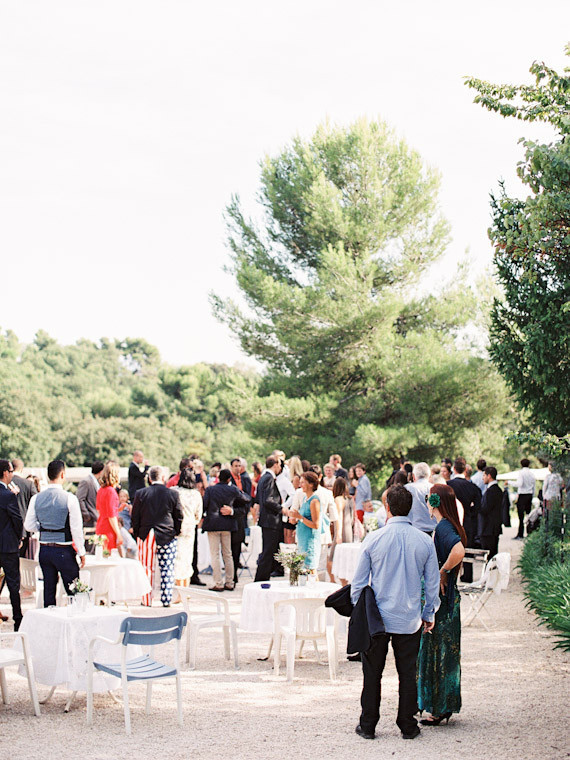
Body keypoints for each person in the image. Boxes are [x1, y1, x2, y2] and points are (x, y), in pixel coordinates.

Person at [351, 485, 440, 741]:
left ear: (387, 507)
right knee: (408, 674)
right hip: (409, 616)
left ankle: (368, 724)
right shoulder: (424, 541)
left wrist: (360, 611)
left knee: (372, 674)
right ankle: (407, 724)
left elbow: (358, 583)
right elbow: (432, 584)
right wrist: (429, 612)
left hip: (378, 617)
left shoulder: (374, 538)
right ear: (410, 508)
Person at [417, 483, 466, 726]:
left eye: (429, 499)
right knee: (444, 651)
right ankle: (441, 704)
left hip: (443, 601)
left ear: (434, 502)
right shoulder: (448, 525)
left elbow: (458, 550)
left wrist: (443, 571)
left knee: (438, 650)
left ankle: (439, 707)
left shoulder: (444, 527)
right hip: (448, 599)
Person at [24, 459, 86, 607]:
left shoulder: (36, 498)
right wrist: (82, 552)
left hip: (45, 550)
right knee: (74, 592)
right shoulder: (70, 498)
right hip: (64, 549)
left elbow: (28, 525)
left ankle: (49, 617)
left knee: (49, 591)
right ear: (62, 474)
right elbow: (76, 529)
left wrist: (43, 528)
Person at [131, 466, 183, 606]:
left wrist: (137, 533)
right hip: (167, 534)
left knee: (146, 568)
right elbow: (179, 515)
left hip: (146, 533)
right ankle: (166, 599)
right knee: (167, 568)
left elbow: (135, 516)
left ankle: (147, 599)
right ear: (163, 478)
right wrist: (176, 531)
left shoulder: (141, 493)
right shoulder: (173, 494)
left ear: (149, 478)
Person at [202, 468, 250, 591]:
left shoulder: (210, 489)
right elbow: (246, 499)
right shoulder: (232, 489)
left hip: (213, 524)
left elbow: (204, 505)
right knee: (228, 554)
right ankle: (229, 582)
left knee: (215, 554)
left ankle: (218, 583)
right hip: (227, 524)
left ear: (218, 478)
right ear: (229, 479)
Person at [448, 457, 481, 582]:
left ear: (454, 469)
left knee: (450, 549)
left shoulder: (448, 485)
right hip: (467, 521)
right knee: (467, 548)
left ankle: (451, 576)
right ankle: (468, 575)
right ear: (465, 470)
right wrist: (470, 513)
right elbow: (478, 506)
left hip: (451, 521)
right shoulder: (472, 487)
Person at [254, 456, 286, 582]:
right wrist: (281, 509)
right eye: (280, 465)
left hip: (268, 520)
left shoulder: (264, 477)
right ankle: (260, 580)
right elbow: (268, 500)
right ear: (276, 464)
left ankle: (263, 579)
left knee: (269, 552)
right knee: (267, 553)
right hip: (270, 520)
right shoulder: (268, 478)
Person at [0, 460, 23, 629]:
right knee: (13, 584)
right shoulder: (8, 495)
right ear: (5, 473)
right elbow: (17, 519)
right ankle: (18, 620)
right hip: (8, 546)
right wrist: (18, 538)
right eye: (11, 471)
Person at [171, 467, 203, 588]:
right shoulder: (196, 494)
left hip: (177, 527)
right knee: (188, 558)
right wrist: (194, 522)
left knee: (178, 558)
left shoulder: (174, 491)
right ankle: (186, 587)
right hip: (190, 527)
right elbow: (198, 514)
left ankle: (180, 589)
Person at [289, 471, 321, 574]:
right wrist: (295, 518)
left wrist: (300, 517)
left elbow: (316, 525)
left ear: (311, 484)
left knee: (310, 571)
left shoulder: (314, 501)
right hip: (302, 539)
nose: (300, 485)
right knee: (304, 570)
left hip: (309, 541)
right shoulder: (305, 499)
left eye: (303, 482)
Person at [229, 457, 253, 585]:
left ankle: (234, 572)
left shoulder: (245, 479)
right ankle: (231, 573)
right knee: (230, 547)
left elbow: (248, 497)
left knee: (237, 545)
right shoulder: (229, 480)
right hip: (231, 516)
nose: (238, 468)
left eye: (239, 466)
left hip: (241, 516)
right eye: (235, 466)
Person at [11, 458, 37, 558]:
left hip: (7, 528)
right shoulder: (28, 484)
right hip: (24, 528)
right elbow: (36, 504)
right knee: (22, 558)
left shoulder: (5, 483)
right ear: (22, 469)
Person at [95, 461, 123, 551]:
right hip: (109, 530)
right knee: (109, 556)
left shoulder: (101, 490)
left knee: (102, 554)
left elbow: (100, 510)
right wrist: (119, 534)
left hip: (100, 527)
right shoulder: (111, 491)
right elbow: (111, 516)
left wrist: (117, 509)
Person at [330, 477, 354, 584]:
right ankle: (345, 584)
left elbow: (339, 517)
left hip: (341, 531)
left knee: (332, 559)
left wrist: (338, 534)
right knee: (346, 559)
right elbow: (353, 518)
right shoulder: (350, 499)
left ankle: (336, 583)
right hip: (349, 532)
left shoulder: (338, 499)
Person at [405, 462, 436, 535]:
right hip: (434, 531)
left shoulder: (407, 489)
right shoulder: (435, 489)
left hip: (415, 531)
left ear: (413, 476)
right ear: (429, 476)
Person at [479, 467, 503, 558]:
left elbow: (485, 509)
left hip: (488, 529)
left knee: (489, 556)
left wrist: (475, 506)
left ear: (489, 476)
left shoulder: (491, 491)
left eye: (484, 475)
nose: (482, 478)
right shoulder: (497, 490)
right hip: (493, 528)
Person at [76, 461, 104, 530]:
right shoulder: (86, 481)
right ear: (101, 471)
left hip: (96, 518)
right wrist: (86, 515)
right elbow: (80, 499)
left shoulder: (97, 482)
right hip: (89, 519)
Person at [515, 458, 536, 539]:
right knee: (528, 515)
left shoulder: (521, 473)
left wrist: (509, 482)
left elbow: (519, 484)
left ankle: (520, 533)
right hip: (529, 494)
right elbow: (534, 486)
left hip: (522, 495)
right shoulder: (532, 474)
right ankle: (529, 532)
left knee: (521, 516)